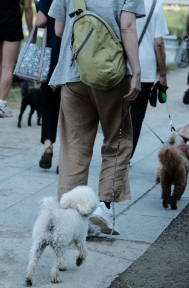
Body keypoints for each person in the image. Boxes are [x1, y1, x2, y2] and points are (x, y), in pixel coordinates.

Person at [48, 0, 144, 235]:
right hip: (112, 74)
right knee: (116, 140)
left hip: (73, 73)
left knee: (74, 145)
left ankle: (72, 219)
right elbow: (127, 27)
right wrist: (137, 71)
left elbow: (59, 30)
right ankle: (105, 207)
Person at [131, 0, 169, 158]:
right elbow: (158, 43)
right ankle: (126, 157)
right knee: (136, 116)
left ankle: (112, 153)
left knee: (117, 114)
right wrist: (163, 74)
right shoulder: (155, 5)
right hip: (145, 70)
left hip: (121, 66)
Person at [36, 0, 62, 170]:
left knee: (49, 106)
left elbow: (40, 21)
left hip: (52, 60)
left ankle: (48, 146)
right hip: (77, 62)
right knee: (72, 110)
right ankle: (67, 157)